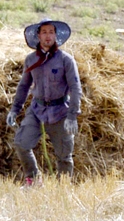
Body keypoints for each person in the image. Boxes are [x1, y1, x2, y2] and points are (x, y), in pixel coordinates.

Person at [7, 18, 82, 184]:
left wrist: (72, 116)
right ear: (38, 36)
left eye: (51, 32)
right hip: (37, 110)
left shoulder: (66, 60)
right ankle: (33, 179)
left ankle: (62, 188)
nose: (48, 36)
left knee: (64, 155)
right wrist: (14, 109)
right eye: (44, 32)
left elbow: (76, 88)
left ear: (56, 36)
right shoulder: (31, 59)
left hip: (60, 111)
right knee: (21, 143)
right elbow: (24, 86)